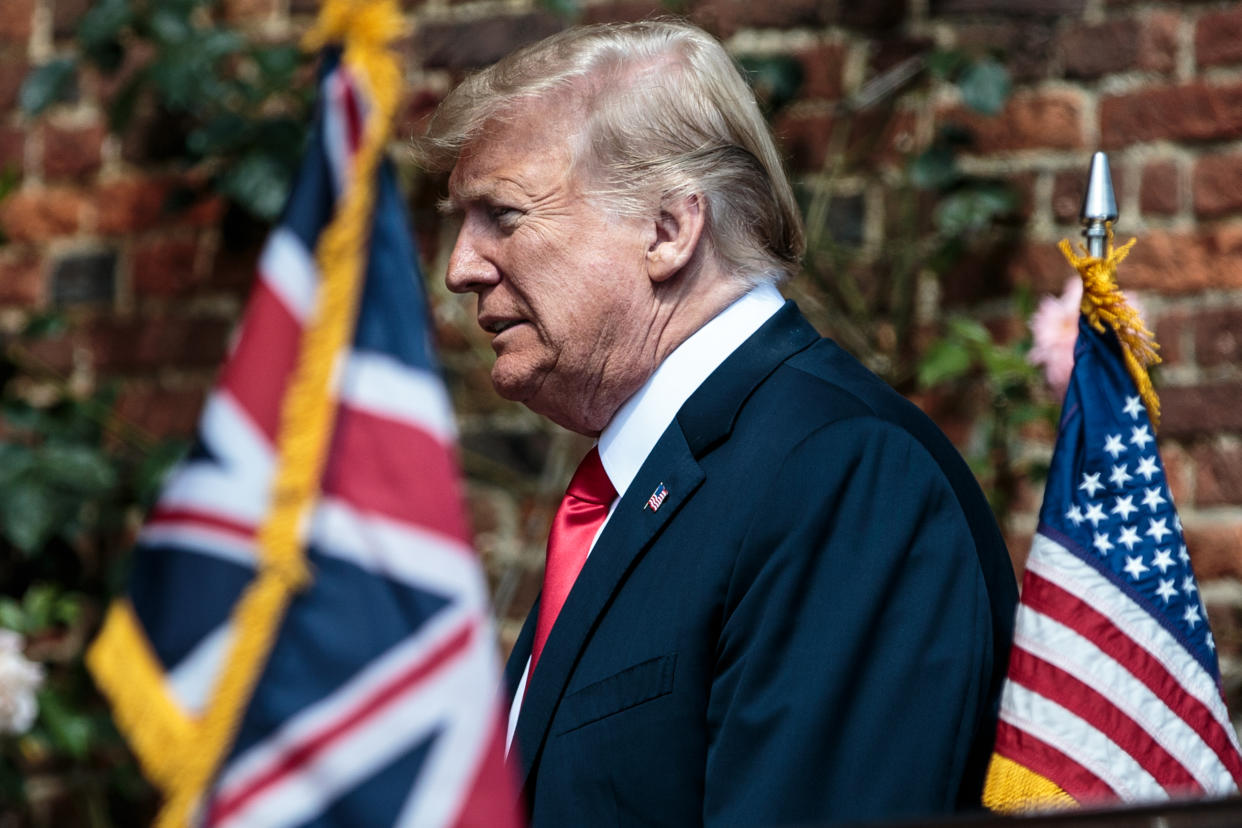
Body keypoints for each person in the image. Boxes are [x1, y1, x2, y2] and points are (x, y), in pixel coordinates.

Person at [414, 19, 1018, 827]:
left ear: (669, 229)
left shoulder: (842, 475)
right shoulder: (653, 482)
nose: (461, 266)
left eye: (504, 215)